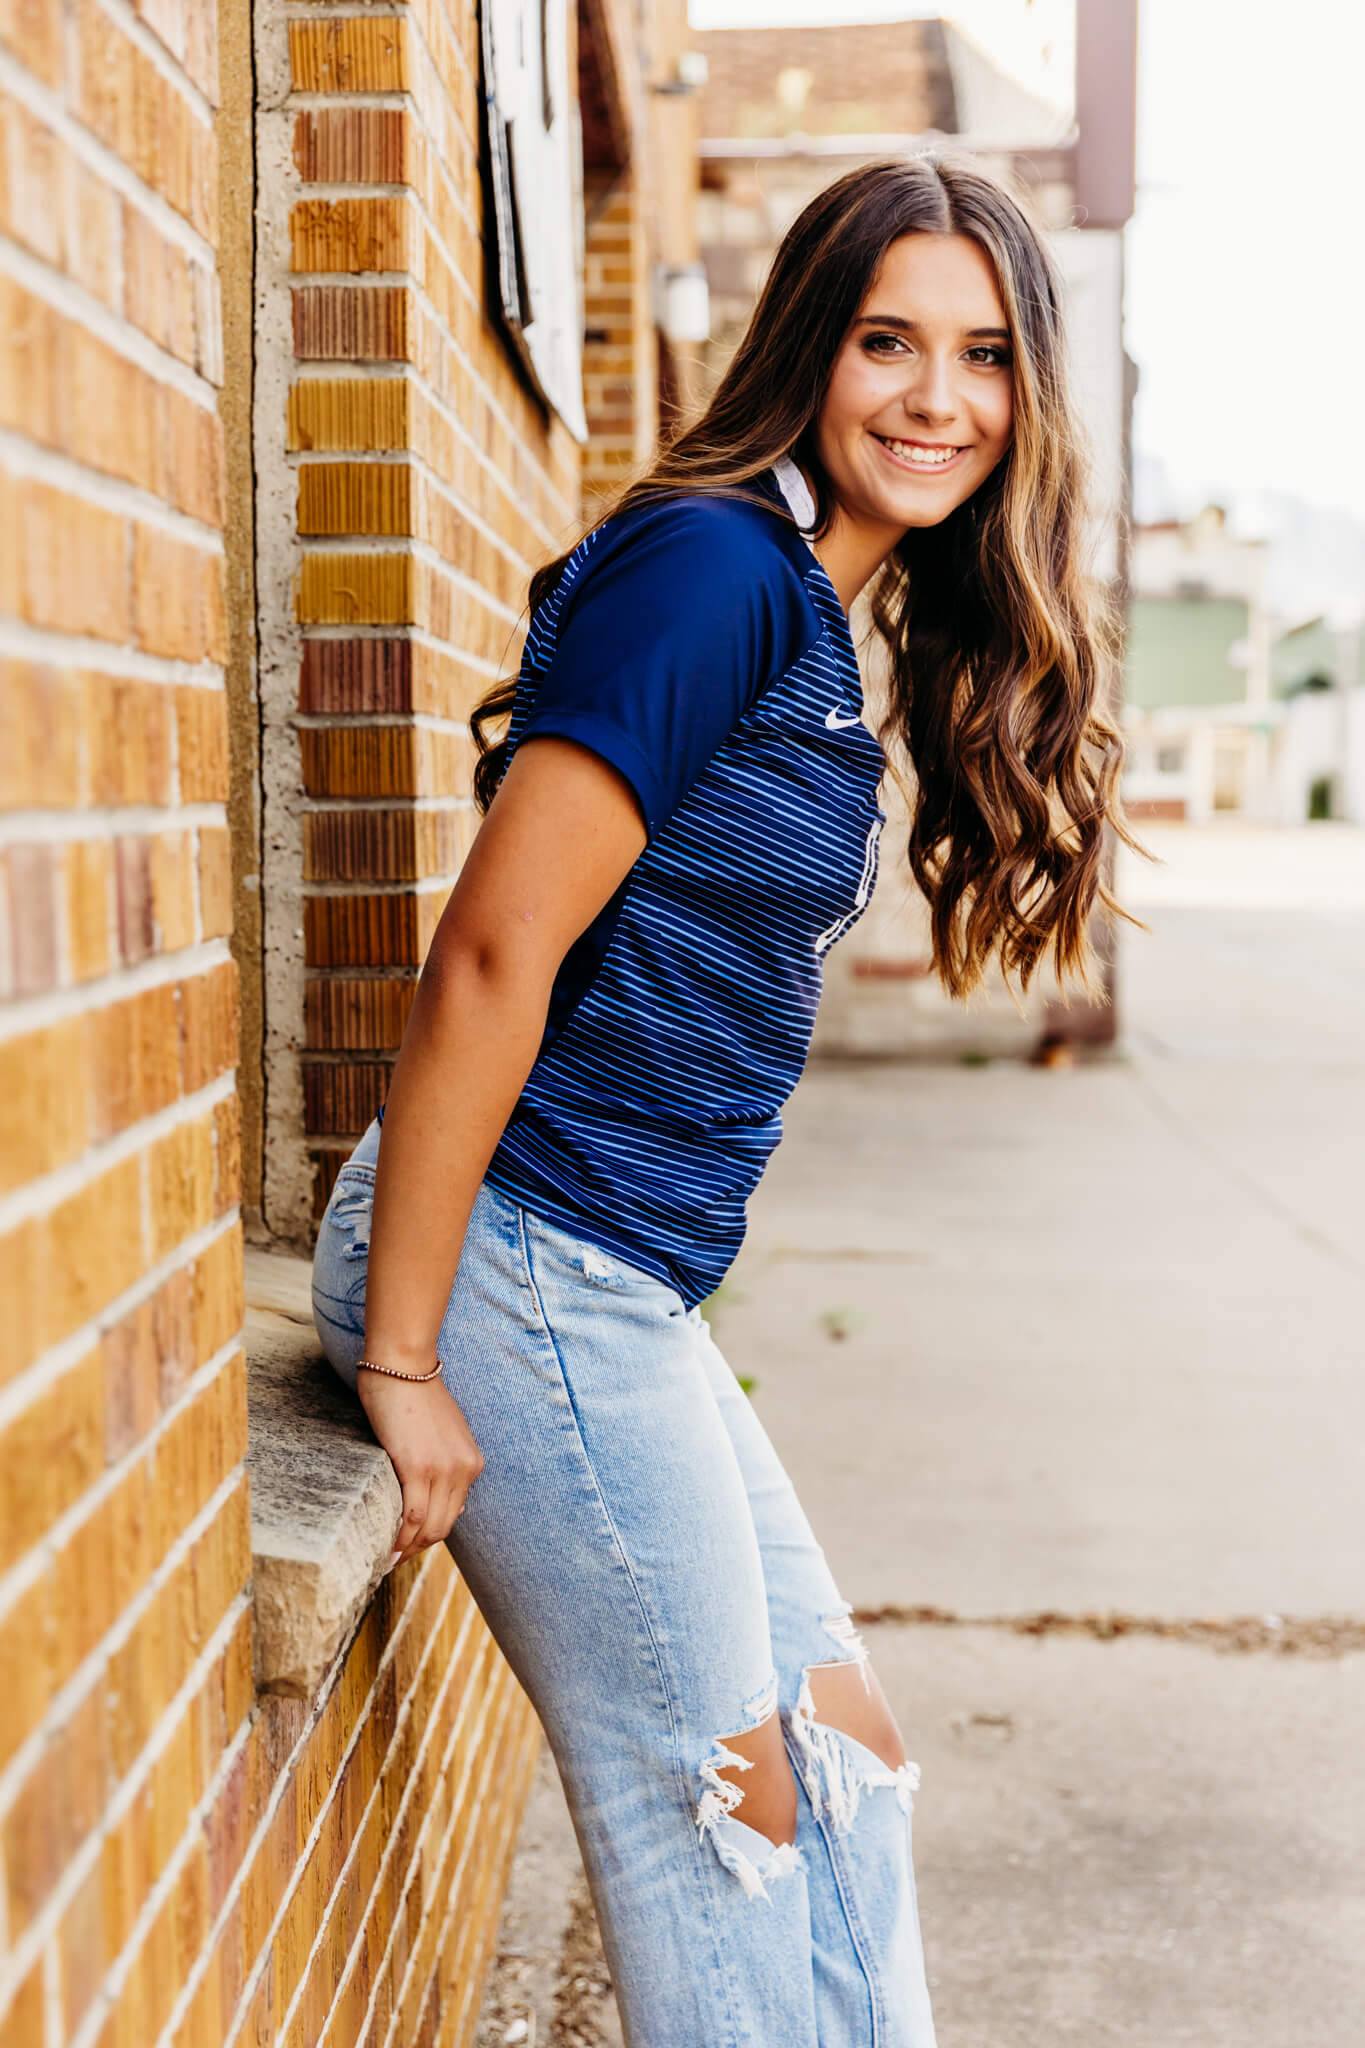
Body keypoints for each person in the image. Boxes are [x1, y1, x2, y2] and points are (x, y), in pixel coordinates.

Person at [312, 153, 1131, 2047]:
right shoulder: (714, 568)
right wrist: (409, 1354)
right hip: (525, 1276)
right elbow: (491, 957)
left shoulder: (813, 602)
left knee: (843, 1774)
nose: (938, 399)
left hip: (627, 1293)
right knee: (726, 1828)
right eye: (888, 343)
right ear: (807, 350)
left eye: (985, 355)